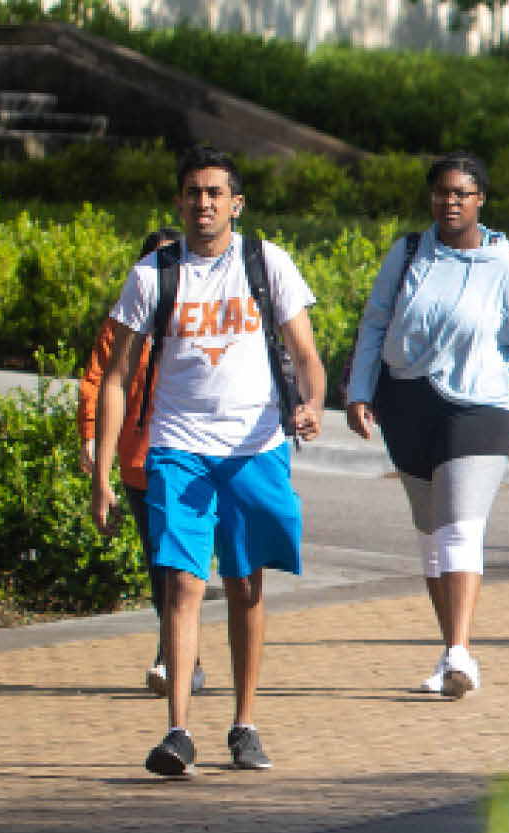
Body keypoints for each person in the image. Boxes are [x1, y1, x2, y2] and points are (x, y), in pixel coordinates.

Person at [89, 145, 327, 779]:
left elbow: (306, 353)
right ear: (179, 202)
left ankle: (245, 725)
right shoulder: (152, 276)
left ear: (236, 203)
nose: (204, 204)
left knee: (246, 582)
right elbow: (115, 379)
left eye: (215, 193)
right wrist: (103, 475)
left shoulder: (266, 263)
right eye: (193, 193)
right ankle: (178, 731)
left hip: (254, 448)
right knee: (182, 581)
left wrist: (312, 404)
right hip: (179, 448)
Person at [342, 152, 509, 699]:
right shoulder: (408, 253)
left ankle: (460, 652)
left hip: (480, 406)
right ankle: (449, 649)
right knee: (431, 535)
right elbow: (375, 321)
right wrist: (359, 390)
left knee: (460, 526)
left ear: (481, 200)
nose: (449, 202)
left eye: (461, 193)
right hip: (406, 402)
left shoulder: (507, 268)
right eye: (440, 192)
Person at [77, 228, 207, 698]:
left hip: (190, 456)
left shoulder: (198, 317)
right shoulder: (123, 323)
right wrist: (92, 437)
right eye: (154, 265)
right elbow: (96, 379)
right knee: (159, 564)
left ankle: (171, 657)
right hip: (137, 460)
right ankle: (183, 656)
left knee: (176, 561)